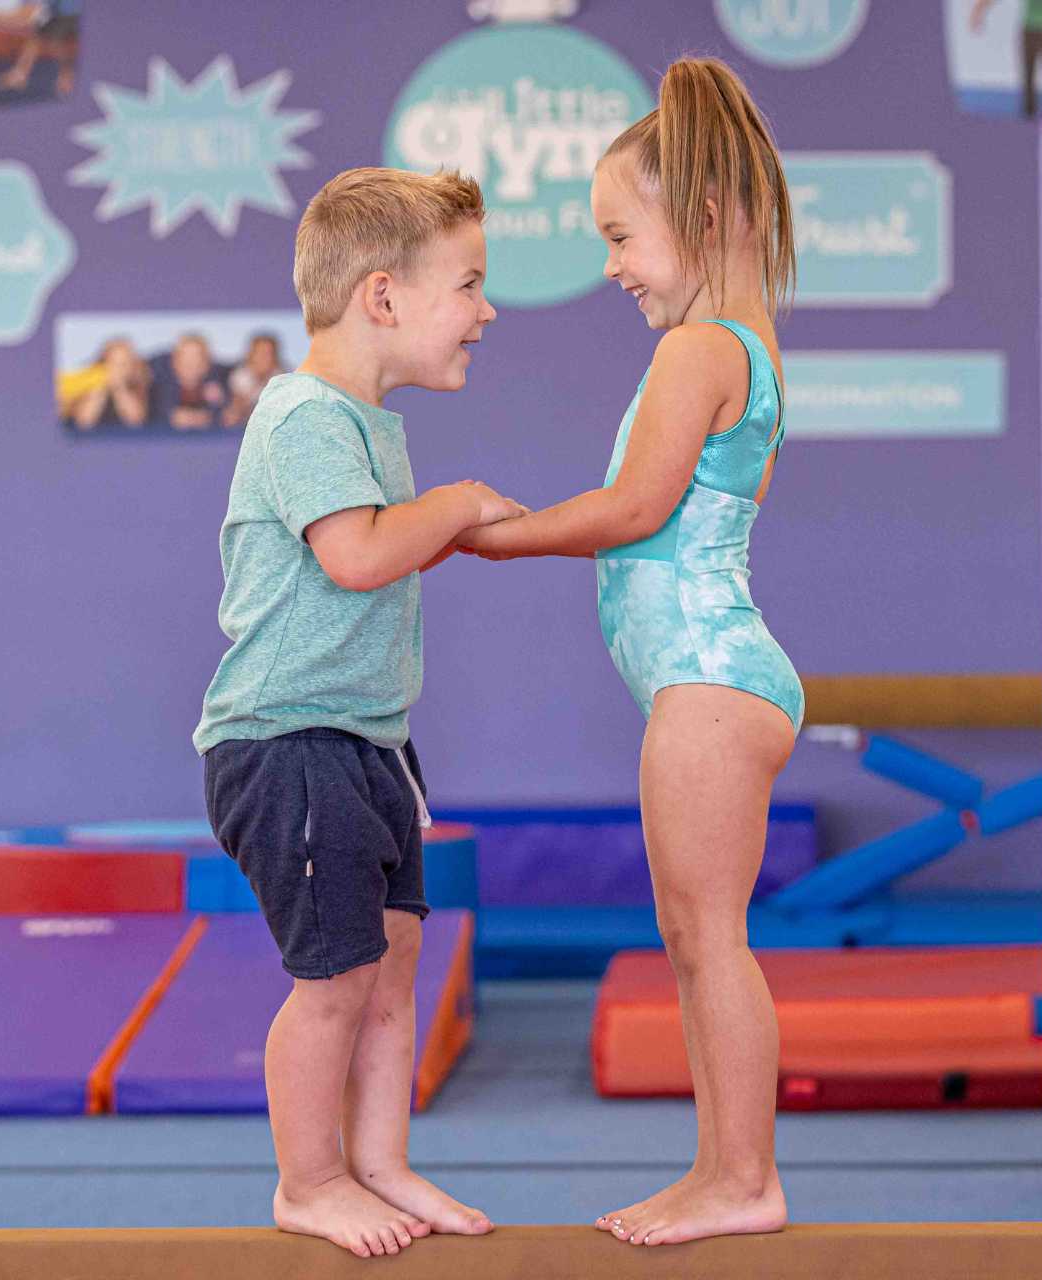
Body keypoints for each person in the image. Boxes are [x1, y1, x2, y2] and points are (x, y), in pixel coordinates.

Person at [454, 57, 800, 1248]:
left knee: (711, 939)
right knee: (694, 938)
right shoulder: (732, 342)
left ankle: (743, 1174)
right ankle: (720, 1168)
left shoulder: (699, 349)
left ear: (700, 218)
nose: (609, 265)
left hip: (709, 678)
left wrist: (492, 536)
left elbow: (633, 507)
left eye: (620, 235)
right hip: (705, 679)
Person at [194, 166, 519, 1259]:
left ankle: (380, 1159)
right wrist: (459, 505)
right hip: (287, 741)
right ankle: (311, 1177)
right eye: (469, 284)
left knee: (392, 959)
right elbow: (357, 554)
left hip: (369, 738)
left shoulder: (369, 424)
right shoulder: (303, 415)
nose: (487, 310)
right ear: (382, 298)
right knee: (333, 977)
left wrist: (445, 512)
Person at [66, 337, 151, 429]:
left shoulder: (138, 383)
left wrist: (119, 388)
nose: (119, 370)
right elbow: (84, 421)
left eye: (124, 364)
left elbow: (135, 420)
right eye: (114, 364)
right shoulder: (91, 380)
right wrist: (100, 387)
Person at [225, 332, 285, 428]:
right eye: (259, 353)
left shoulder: (283, 377)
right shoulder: (240, 375)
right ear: (251, 354)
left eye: (267, 354)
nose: (263, 358)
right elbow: (236, 409)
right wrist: (258, 381)